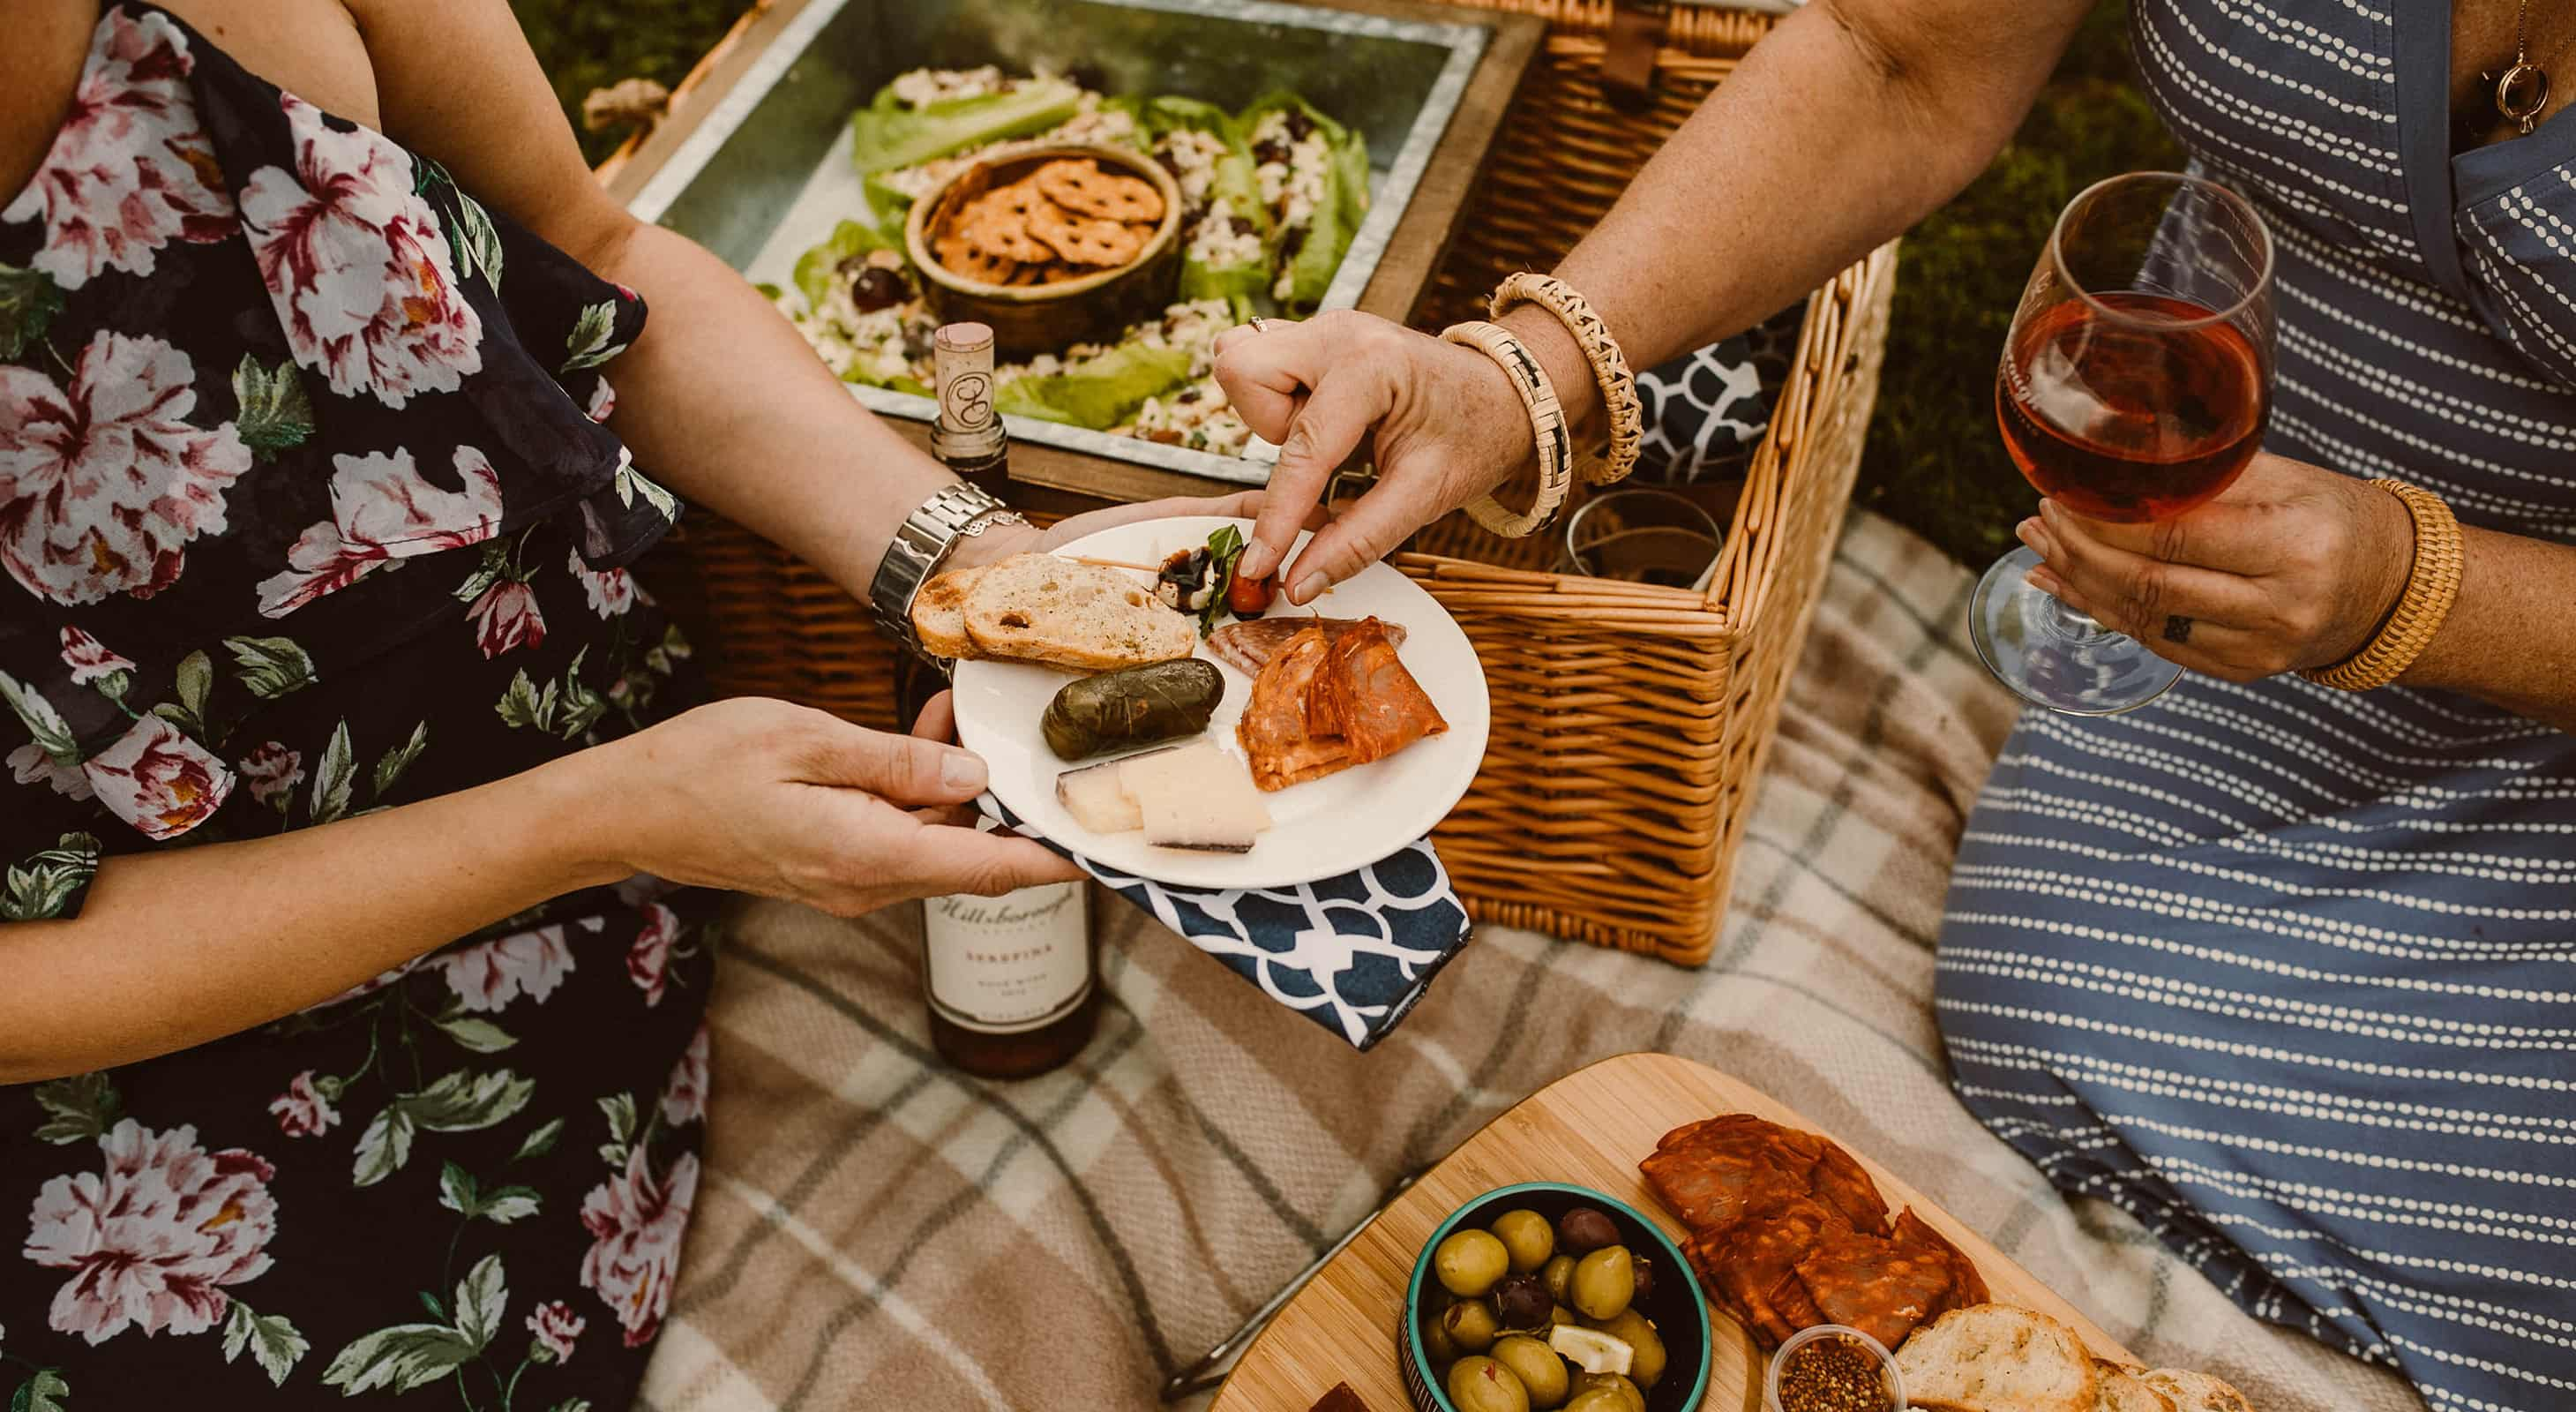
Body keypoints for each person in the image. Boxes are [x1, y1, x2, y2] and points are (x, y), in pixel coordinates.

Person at [1215, 1, 2576, 1406]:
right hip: (2218, 567)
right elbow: (1896, 55)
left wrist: (2413, 589)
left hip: (2532, 652)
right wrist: (1518, 381)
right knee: (2041, 996)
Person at [0, 2, 1259, 1406]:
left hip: (605, 805)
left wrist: (969, 566)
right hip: (154, 1069)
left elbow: (594, 256)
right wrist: (601, 817)